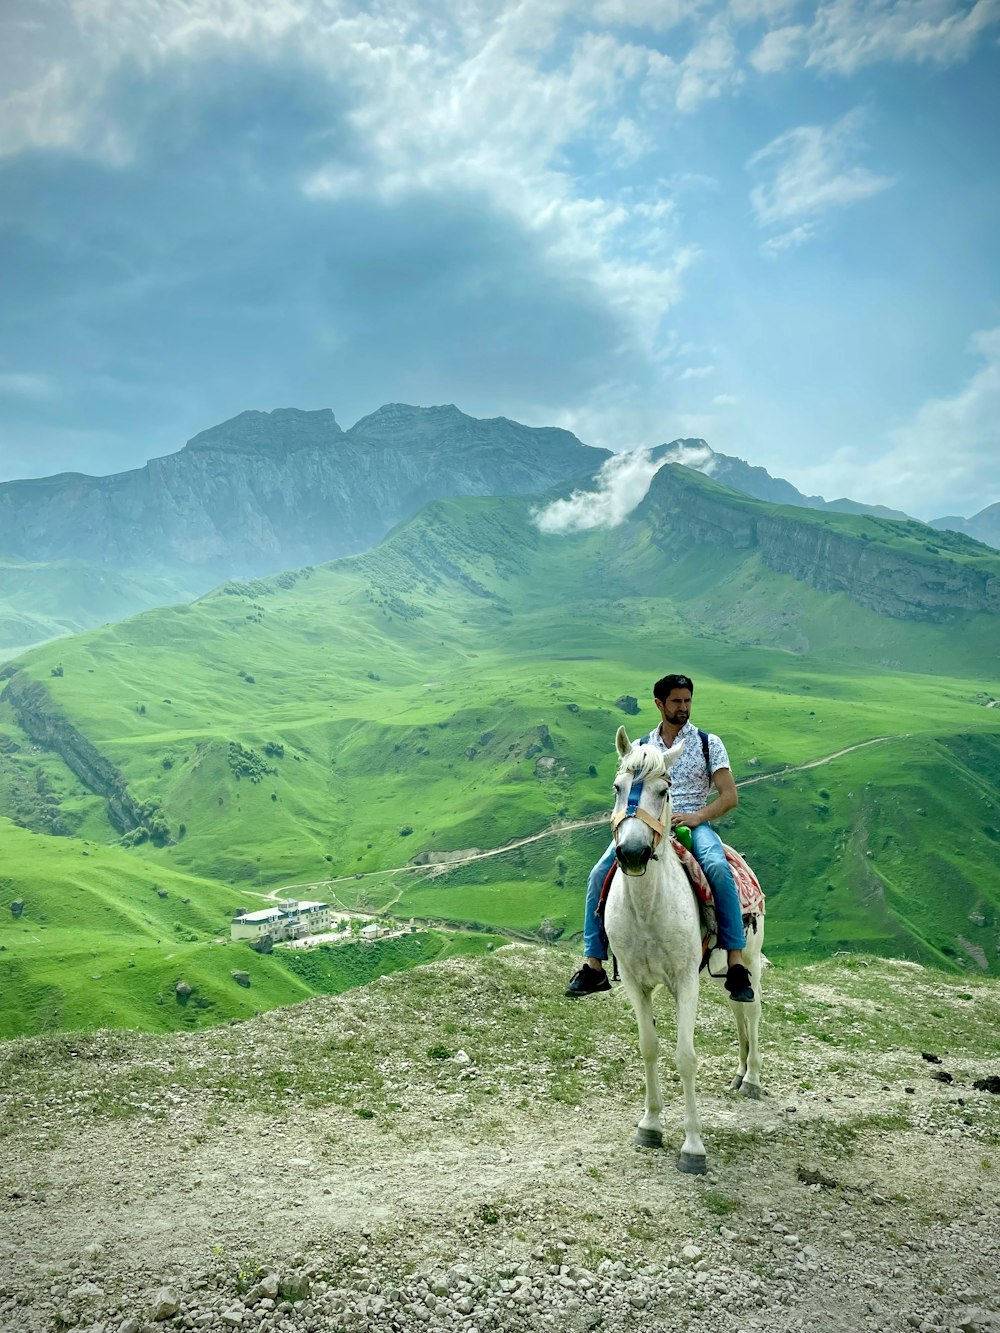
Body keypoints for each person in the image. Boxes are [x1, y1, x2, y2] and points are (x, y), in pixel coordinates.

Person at [565, 672, 754, 1002]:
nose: (683, 707)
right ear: (659, 704)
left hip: (692, 824)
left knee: (718, 868)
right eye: (676, 701)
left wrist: (697, 817)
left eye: (687, 701)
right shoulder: (639, 748)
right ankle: (594, 963)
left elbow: (728, 797)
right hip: (646, 826)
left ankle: (735, 962)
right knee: (598, 874)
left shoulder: (709, 744)